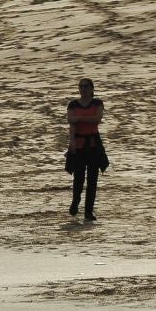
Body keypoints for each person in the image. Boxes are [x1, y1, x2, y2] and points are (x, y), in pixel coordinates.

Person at [66, 78, 107, 222]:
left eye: (85, 86)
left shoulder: (97, 103)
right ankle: (75, 202)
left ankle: (88, 211)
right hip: (78, 144)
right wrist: (71, 141)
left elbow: (97, 119)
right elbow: (71, 121)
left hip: (94, 145)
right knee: (78, 178)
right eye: (80, 86)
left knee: (92, 180)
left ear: (91, 89)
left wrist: (79, 118)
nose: (82, 89)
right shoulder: (73, 104)